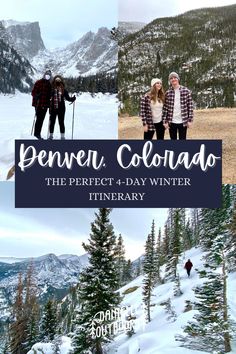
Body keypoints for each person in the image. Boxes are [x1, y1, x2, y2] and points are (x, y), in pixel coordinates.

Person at [162, 72, 193, 140]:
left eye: (175, 77)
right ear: (170, 81)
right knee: (173, 141)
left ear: (178, 79)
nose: (173, 79)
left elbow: (190, 107)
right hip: (171, 121)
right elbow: (165, 109)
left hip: (183, 121)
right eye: (171, 78)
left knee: (182, 140)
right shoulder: (168, 93)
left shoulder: (186, 91)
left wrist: (190, 120)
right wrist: (165, 121)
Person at [48, 75, 76, 140]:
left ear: (61, 81)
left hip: (61, 109)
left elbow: (68, 98)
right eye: (56, 80)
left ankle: (62, 137)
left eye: (59, 80)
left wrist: (72, 99)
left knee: (61, 122)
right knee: (52, 122)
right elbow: (48, 97)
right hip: (53, 108)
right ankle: (50, 136)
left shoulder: (64, 90)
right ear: (54, 81)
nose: (57, 81)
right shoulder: (51, 89)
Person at [31, 69, 52, 139]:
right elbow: (33, 92)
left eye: (49, 75)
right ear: (44, 75)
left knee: (41, 120)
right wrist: (36, 95)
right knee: (38, 120)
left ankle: (38, 134)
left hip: (45, 105)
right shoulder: (38, 82)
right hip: (38, 104)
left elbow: (49, 96)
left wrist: (49, 103)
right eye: (46, 75)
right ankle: (36, 134)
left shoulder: (49, 85)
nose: (47, 76)